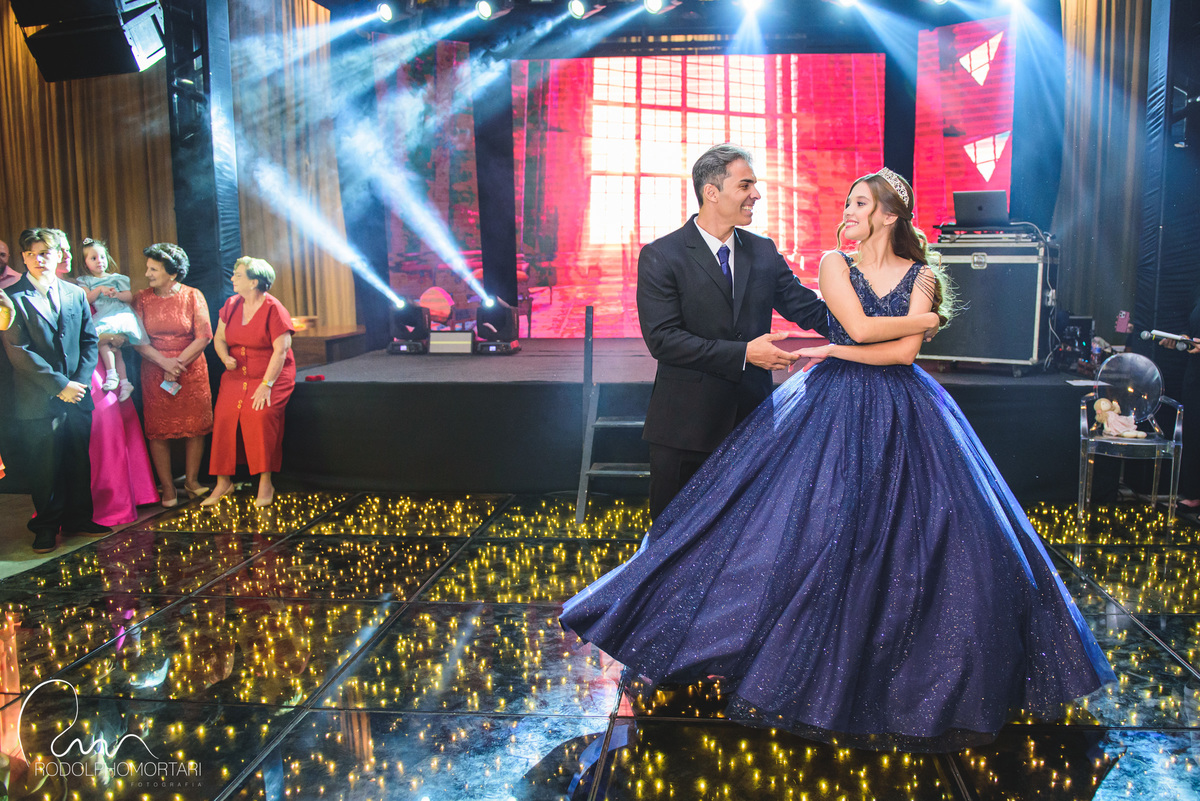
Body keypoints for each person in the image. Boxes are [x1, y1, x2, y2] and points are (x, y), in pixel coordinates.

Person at [561, 169, 1115, 752]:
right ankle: (661, 633)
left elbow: (889, 348)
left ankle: (915, 669)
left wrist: (851, 344)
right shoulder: (810, 262)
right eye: (746, 185)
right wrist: (918, 322)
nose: (846, 210)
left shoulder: (903, 272)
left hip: (897, 406)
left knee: (938, 535)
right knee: (743, 532)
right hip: (753, 409)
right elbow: (852, 326)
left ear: (889, 215)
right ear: (711, 191)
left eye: (859, 203)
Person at [637, 144, 937, 520]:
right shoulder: (662, 255)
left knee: (744, 535)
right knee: (671, 535)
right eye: (745, 185)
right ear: (711, 192)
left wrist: (891, 328)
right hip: (684, 428)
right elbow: (663, 340)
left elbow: (812, 311)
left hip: (752, 422)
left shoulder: (763, 251)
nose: (756, 194)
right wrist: (746, 354)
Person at [0, 228, 110, 553]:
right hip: (37, 397)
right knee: (44, 467)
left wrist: (79, 382)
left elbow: (89, 341)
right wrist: (60, 386)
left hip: (77, 394)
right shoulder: (10, 296)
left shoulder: (74, 293)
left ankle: (79, 519)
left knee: (78, 461)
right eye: (31, 254)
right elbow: (18, 351)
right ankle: (46, 527)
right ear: (23, 258)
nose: (38, 259)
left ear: (58, 255)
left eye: (45, 253)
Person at [203, 257, 295, 508]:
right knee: (224, 417)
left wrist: (266, 384)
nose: (232, 278)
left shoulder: (274, 308)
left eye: (238, 275)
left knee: (259, 415)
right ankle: (223, 482)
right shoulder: (231, 304)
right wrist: (224, 358)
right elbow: (219, 339)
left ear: (254, 282)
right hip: (236, 375)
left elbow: (281, 351)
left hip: (271, 374)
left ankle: (265, 482)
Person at [132, 243, 213, 507]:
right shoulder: (141, 298)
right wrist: (164, 363)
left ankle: (192, 482)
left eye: (153, 269)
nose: (147, 274)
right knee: (158, 430)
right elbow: (137, 339)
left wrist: (176, 364)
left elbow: (204, 336)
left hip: (190, 368)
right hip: (155, 369)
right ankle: (167, 488)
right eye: (148, 268)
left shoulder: (193, 295)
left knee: (195, 427)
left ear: (173, 273)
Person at [75, 238, 145, 400]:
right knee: (111, 348)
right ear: (85, 263)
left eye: (102, 257)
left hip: (118, 314)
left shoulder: (117, 278)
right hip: (103, 315)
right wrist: (100, 289)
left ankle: (113, 375)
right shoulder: (85, 281)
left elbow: (128, 297)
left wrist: (116, 294)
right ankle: (124, 382)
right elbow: (87, 299)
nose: (99, 261)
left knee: (107, 344)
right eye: (93, 258)